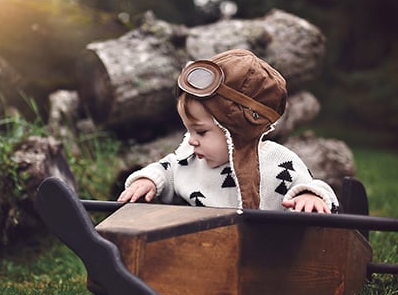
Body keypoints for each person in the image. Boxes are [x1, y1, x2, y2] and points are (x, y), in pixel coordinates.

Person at [118, 48, 338, 213]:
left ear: (236, 129)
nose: (191, 141)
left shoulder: (276, 161)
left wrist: (310, 196)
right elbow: (166, 170)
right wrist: (148, 181)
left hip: (265, 258)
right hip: (196, 253)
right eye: (189, 131)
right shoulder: (190, 160)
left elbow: (307, 185)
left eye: (201, 132)